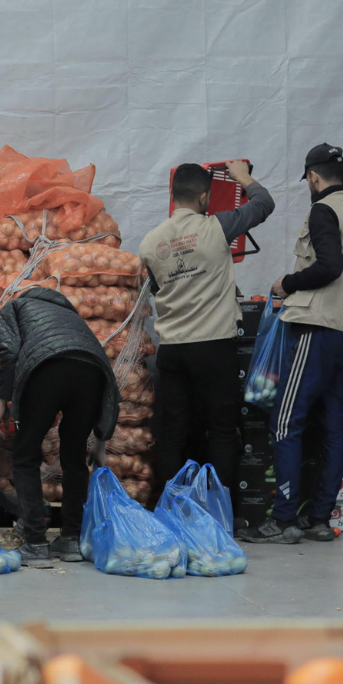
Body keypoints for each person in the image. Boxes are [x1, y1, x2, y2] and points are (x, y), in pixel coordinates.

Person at [244, 143, 343, 545]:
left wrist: (288, 283)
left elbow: (329, 265)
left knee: (286, 420)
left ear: (314, 178)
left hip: (316, 329)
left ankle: (282, 519)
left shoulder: (323, 209)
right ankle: (318, 517)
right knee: (333, 424)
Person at [137, 160, 275, 503]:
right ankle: (219, 512)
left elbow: (156, 289)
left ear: (172, 195)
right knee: (223, 431)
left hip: (173, 350)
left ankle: (172, 508)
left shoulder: (150, 243)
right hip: (213, 346)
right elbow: (263, 204)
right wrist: (241, 176)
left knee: (173, 432)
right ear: (204, 198)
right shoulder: (218, 226)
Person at [0, 285, 120, 567]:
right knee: (74, 458)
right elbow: (109, 388)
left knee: (26, 455)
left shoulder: (13, 308)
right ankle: (72, 540)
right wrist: (100, 442)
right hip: (91, 372)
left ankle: (36, 543)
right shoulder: (72, 317)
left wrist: (2, 402)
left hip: (46, 369)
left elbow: (10, 353)